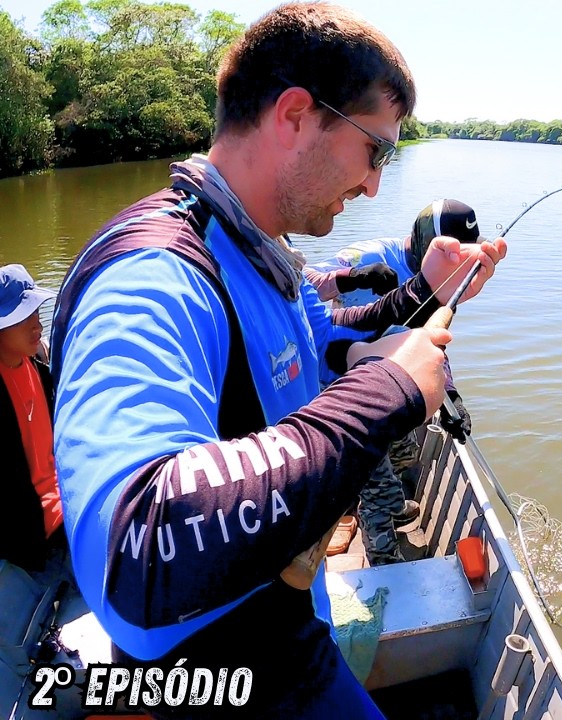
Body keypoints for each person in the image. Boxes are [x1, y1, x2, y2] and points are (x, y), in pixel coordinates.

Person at [49, 3, 505, 717]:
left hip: (286, 618)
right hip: (214, 665)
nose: (374, 185)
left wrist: (427, 291)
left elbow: (330, 343)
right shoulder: (152, 277)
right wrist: (386, 391)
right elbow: (135, 550)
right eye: (375, 151)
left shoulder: (263, 252)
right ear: (295, 115)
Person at [306, 200, 482, 565]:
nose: (456, 266)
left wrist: (451, 396)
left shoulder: (445, 279)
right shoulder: (371, 256)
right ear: (427, 243)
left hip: (389, 382)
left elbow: (429, 340)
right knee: (378, 484)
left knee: (406, 452)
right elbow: (299, 284)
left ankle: (387, 505)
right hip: (337, 383)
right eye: (452, 256)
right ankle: (383, 557)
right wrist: (353, 276)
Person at [0, 265, 65, 578]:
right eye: (22, 317)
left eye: (36, 312)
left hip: (67, 505)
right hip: (30, 535)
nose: (37, 324)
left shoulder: (40, 362)